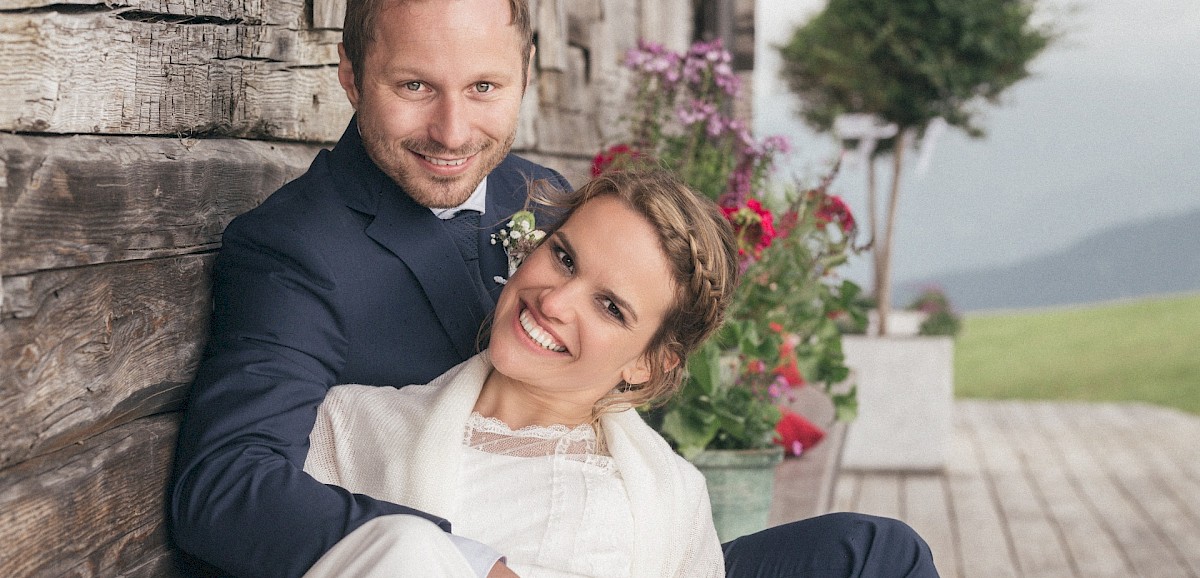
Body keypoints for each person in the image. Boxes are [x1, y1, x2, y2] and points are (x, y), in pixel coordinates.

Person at [168, 0, 940, 576]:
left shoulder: (534, 193)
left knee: (876, 552)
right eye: (413, 85)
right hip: (449, 521)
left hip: (609, 529)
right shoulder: (298, 247)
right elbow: (227, 488)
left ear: (526, 77)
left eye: (483, 87)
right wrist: (473, 561)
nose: (452, 131)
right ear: (349, 75)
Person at [302, 169, 736, 577]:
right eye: (565, 258)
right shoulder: (349, 426)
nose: (553, 303)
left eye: (609, 307)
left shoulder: (672, 500)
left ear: (650, 363)